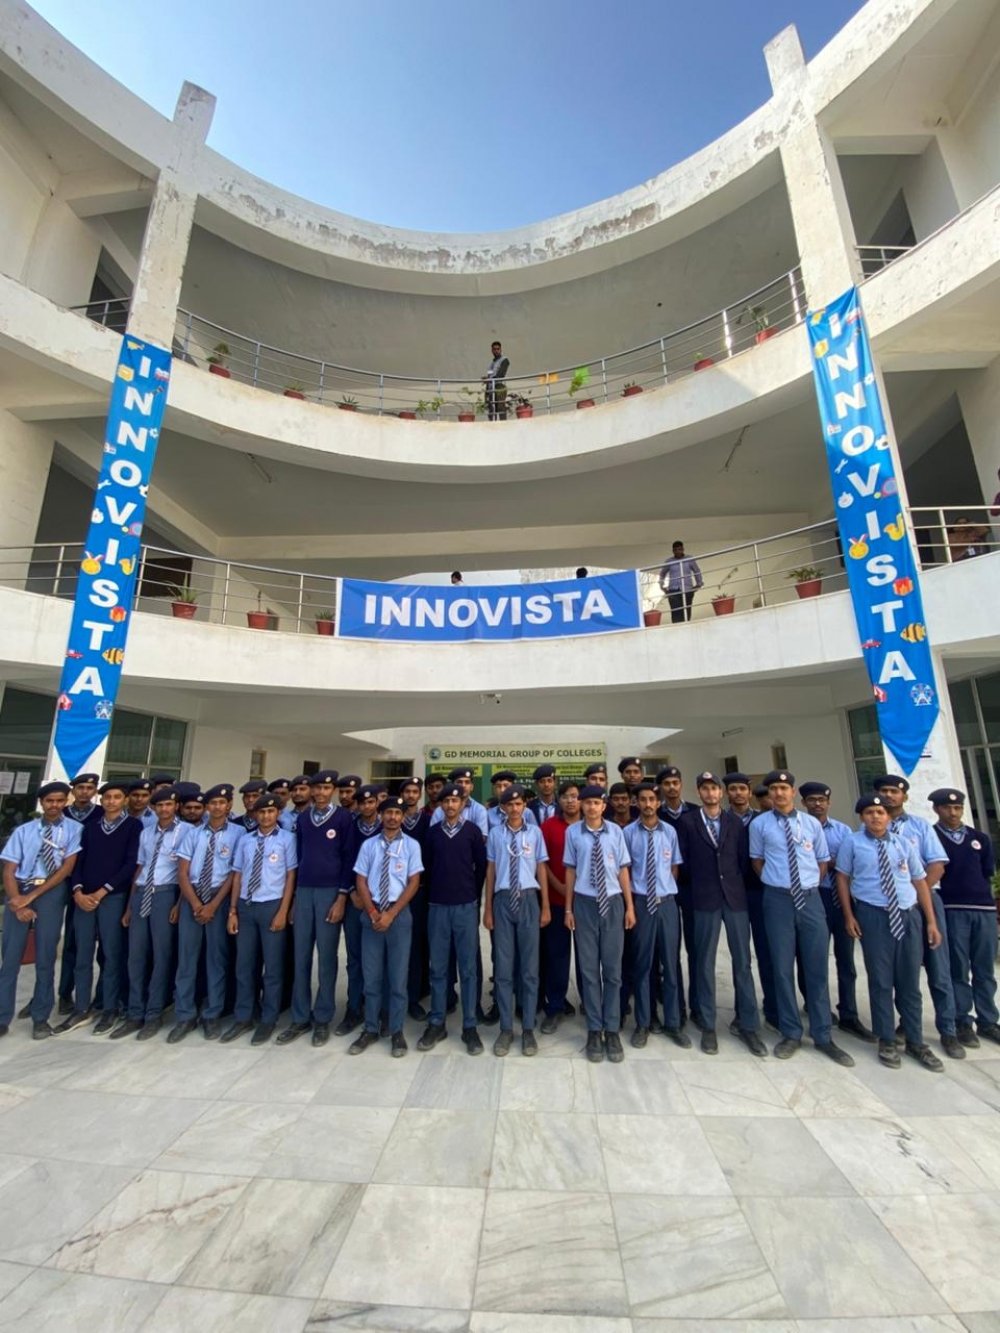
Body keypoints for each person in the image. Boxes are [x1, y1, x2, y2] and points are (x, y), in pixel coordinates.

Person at [749, 770, 853, 1066]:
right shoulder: (759, 824)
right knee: (782, 968)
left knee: (816, 966)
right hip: (777, 899)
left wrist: (806, 884)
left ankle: (823, 1034)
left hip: (810, 899)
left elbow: (822, 861)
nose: (779, 793)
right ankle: (791, 1032)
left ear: (793, 792)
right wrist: (777, 882)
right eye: (774, 789)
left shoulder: (810, 824)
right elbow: (757, 860)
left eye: (784, 788)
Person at [836, 794, 944, 1072]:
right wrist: (849, 915)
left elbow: (919, 881)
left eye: (881, 812)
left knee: (910, 981)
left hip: (908, 914)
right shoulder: (852, 842)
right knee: (881, 980)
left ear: (888, 816)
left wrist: (930, 921)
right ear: (862, 817)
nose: (876, 816)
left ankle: (916, 1040)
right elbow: (842, 878)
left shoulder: (902, 843)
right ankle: (886, 1039)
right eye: (870, 812)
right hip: (874, 914)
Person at [872, 774, 962, 1059]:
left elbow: (937, 865)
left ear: (905, 796)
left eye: (894, 791)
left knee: (938, 968)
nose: (889, 796)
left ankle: (948, 1030)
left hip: (923, 901)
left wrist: (914, 893)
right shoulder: (871, 828)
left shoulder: (920, 826)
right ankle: (905, 1025)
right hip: (890, 907)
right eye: (884, 791)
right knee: (902, 970)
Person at [678, 773, 766, 1056]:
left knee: (743, 962)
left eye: (715, 788)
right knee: (704, 962)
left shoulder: (735, 823)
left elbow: (742, 860)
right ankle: (708, 1025)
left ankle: (748, 1024)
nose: (710, 793)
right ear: (699, 792)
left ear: (721, 793)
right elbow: (684, 862)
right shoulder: (687, 822)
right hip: (704, 899)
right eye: (705, 788)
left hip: (734, 898)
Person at [276, 770, 356, 1047]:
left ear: (332, 790)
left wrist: (342, 897)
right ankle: (300, 1017)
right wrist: (294, 899)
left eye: (326, 788)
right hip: (304, 892)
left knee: (326, 958)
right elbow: (297, 859)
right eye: (317, 788)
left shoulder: (343, 818)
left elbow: (348, 859)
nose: (321, 793)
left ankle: (322, 1017)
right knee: (301, 957)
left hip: (330, 893)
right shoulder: (302, 819)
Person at [55, 779, 141, 1036]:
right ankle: (81, 1007)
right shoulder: (91, 827)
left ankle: (109, 1008)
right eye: (107, 797)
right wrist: (78, 890)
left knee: (111, 955)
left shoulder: (132, 826)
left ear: (124, 800)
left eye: (117, 797)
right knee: (83, 953)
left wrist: (104, 890)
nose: (111, 801)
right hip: (84, 898)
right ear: (101, 801)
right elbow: (78, 861)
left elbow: (130, 864)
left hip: (112, 897)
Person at [0, 780, 81, 1040]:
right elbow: (9, 870)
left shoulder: (74, 829)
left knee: (46, 956)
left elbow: (66, 868)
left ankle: (40, 1017)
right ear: (42, 802)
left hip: (50, 891)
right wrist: (16, 900)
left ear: (66, 802)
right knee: (10, 957)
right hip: (20, 888)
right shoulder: (24, 831)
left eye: (59, 801)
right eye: (49, 801)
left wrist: (31, 897)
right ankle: (2, 1017)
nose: (54, 805)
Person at [564, 783, 635, 1063]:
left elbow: (623, 870)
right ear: (581, 805)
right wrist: (568, 908)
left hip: (613, 903)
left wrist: (629, 907)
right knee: (589, 970)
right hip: (584, 903)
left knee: (613, 970)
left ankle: (612, 1028)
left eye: (597, 803)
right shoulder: (573, 833)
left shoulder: (616, 832)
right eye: (587, 803)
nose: (592, 807)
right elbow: (570, 872)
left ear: (604, 806)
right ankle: (594, 1029)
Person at [799, 781, 874, 1044]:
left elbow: (848, 865)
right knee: (812, 958)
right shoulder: (800, 828)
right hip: (813, 896)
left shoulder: (844, 832)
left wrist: (829, 863)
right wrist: (829, 862)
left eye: (821, 799)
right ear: (804, 803)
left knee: (846, 959)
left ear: (829, 802)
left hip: (841, 899)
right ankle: (815, 1006)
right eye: (812, 800)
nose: (817, 804)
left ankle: (849, 1014)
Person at [170, 783, 244, 1043]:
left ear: (229, 805)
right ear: (206, 806)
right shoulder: (193, 833)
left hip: (219, 898)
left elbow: (234, 874)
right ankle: (185, 1014)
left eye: (222, 803)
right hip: (192, 897)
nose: (217, 807)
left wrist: (213, 905)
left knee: (216, 960)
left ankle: (212, 1013)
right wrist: (194, 903)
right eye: (212, 803)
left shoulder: (239, 833)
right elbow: (182, 871)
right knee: (187, 960)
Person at [350, 795, 423, 1058]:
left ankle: (396, 1030)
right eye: (388, 812)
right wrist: (371, 911)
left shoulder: (412, 845)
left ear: (403, 817)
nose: (392, 817)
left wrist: (391, 914)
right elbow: (360, 879)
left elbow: (414, 882)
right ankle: (370, 1028)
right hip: (372, 913)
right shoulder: (369, 845)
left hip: (398, 914)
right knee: (371, 977)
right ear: (381, 815)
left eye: (397, 813)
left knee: (397, 978)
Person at [221, 793, 297, 1046]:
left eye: (270, 812)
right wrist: (233, 910)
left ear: (278, 813)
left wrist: (283, 911)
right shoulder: (246, 840)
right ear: (255, 814)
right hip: (246, 905)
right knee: (244, 965)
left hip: (272, 904)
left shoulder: (287, 839)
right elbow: (238, 875)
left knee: (272, 968)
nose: (265, 816)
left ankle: (268, 1018)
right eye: (261, 812)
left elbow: (290, 877)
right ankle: (244, 1016)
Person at [112, 785, 185, 1041]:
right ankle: (135, 1012)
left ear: (176, 806)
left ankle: (154, 1013)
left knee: (161, 956)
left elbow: (186, 873)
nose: (164, 809)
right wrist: (130, 905)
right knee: (136, 956)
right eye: (159, 805)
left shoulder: (187, 832)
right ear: (153, 808)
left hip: (166, 894)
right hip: (142, 892)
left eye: (168, 804)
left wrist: (178, 905)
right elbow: (140, 868)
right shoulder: (147, 832)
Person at [419, 782, 487, 1055]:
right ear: (440, 804)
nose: (450, 805)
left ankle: (470, 1025)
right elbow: (426, 868)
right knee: (438, 967)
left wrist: (473, 895)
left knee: (468, 968)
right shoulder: (433, 833)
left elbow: (481, 867)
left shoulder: (472, 831)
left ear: (462, 804)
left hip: (465, 906)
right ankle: (437, 1021)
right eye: (446, 801)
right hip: (438, 906)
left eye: (455, 801)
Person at [929, 787, 1000, 1047]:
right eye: (947, 807)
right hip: (952, 908)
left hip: (983, 909)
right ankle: (962, 1020)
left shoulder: (979, 838)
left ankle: (988, 1020)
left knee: (984, 967)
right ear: (937, 809)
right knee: (958, 967)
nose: (953, 812)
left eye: (957, 807)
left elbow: (987, 872)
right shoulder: (932, 837)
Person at [484, 784, 550, 1056]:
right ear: (503, 807)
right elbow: (491, 870)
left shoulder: (535, 833)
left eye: (518, 804)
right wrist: (488, 908)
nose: (514, 808)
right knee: (503, 968)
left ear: (524, 806)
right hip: (502, 900)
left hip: (528, 899)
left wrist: (545, 905)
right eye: (509, 804)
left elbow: (541, 868)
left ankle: (529, 1029)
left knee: (530, 969)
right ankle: (505, 1028)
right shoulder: (495, 834)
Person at [623, 782, 685, 1048]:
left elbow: (674, 868)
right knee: (643, 965)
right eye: (643, 799)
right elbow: (625, 870)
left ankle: (673, 1022)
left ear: (658, 803)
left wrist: (663, 890)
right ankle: (644, 1022)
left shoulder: (669, 831)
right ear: (636, 803)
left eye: (652, 799)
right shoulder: (627, 833)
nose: (648, 804)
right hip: (640, 902)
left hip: (666, 903)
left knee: (670, 964)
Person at [539, 780, 580, 1033]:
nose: (570, 801)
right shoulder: (548, 827)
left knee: (587, 958)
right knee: (556, 956)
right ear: (559, 800)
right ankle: (555, 1006)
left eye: (574, 796)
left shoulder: (591, 825)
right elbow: (541, 862)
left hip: (585, 903)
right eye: (565, 796)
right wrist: (560, 886)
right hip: (556, 900)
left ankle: (590, 1002)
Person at [658, 540, 703, 623]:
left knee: (687, 612)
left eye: (679, 549)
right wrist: (661, 586)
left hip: (687, 589)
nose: (678, 551)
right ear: (673, 551)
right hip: (673, 590)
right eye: (675, 550)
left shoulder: (689, 559)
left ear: (683, 549)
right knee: (675, 613)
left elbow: (697, 571)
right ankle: (677, 628)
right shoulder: (669, 561)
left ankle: (686, 627)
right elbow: (662, 573)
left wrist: (699, 584)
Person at [482, 340, 509, 421]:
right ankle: (492, 426)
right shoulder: (491, 364)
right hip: (491, 389)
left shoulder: (504, 360)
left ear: (501, 349)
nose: (496, 351)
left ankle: (503, 425)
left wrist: (489, 379)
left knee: (500, 407)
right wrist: (486, 393)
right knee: (491, 410)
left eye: (498, 349)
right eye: (494, 349)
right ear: (492, 350)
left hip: (499, 387)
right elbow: (489, 376)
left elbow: (501, 374)